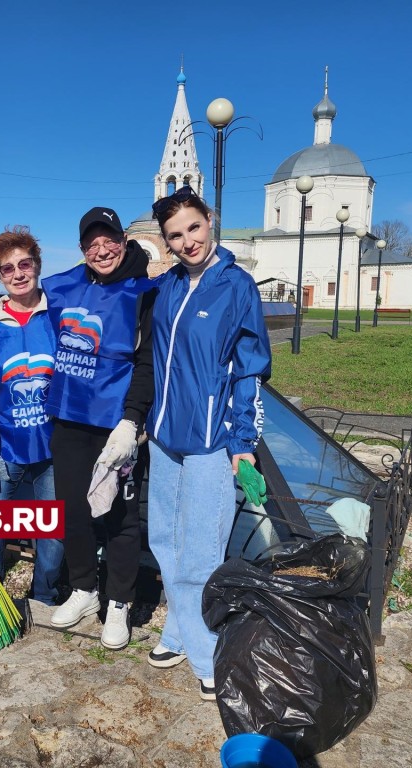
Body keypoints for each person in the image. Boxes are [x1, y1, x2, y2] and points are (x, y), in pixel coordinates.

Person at [145, 186, 271, 700]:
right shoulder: (169, 285)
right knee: (165, 544)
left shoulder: (237, 286)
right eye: (175, 235)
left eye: (193, 228)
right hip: (164, 436)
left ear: (210, 220)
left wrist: (242, 440)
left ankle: (204, 654)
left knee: (200, 551)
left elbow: (250, 370)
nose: (187, 241)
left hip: (208, 440)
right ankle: (179, 632)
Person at [42, 206, 156, 650]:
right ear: (82, 250)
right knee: (72, 510)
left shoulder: (144, 292)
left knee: (120, 518)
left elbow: (147, 363)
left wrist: (132, 421)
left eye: (109, 240)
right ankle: (84, 589)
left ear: (123, 242)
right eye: (92, 243)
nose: (102, 249)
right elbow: (30, 304)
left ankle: (119, 603)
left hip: (115, 425)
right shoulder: (71, 284)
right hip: (70, 418)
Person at [0, 226, 63, 606]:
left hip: (54, 444)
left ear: (37, 265)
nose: (18, 274)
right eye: (7, 269)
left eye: (25, 264)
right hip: (4, 444)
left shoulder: (59, 316)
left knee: (52, 528)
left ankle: (45, 593)